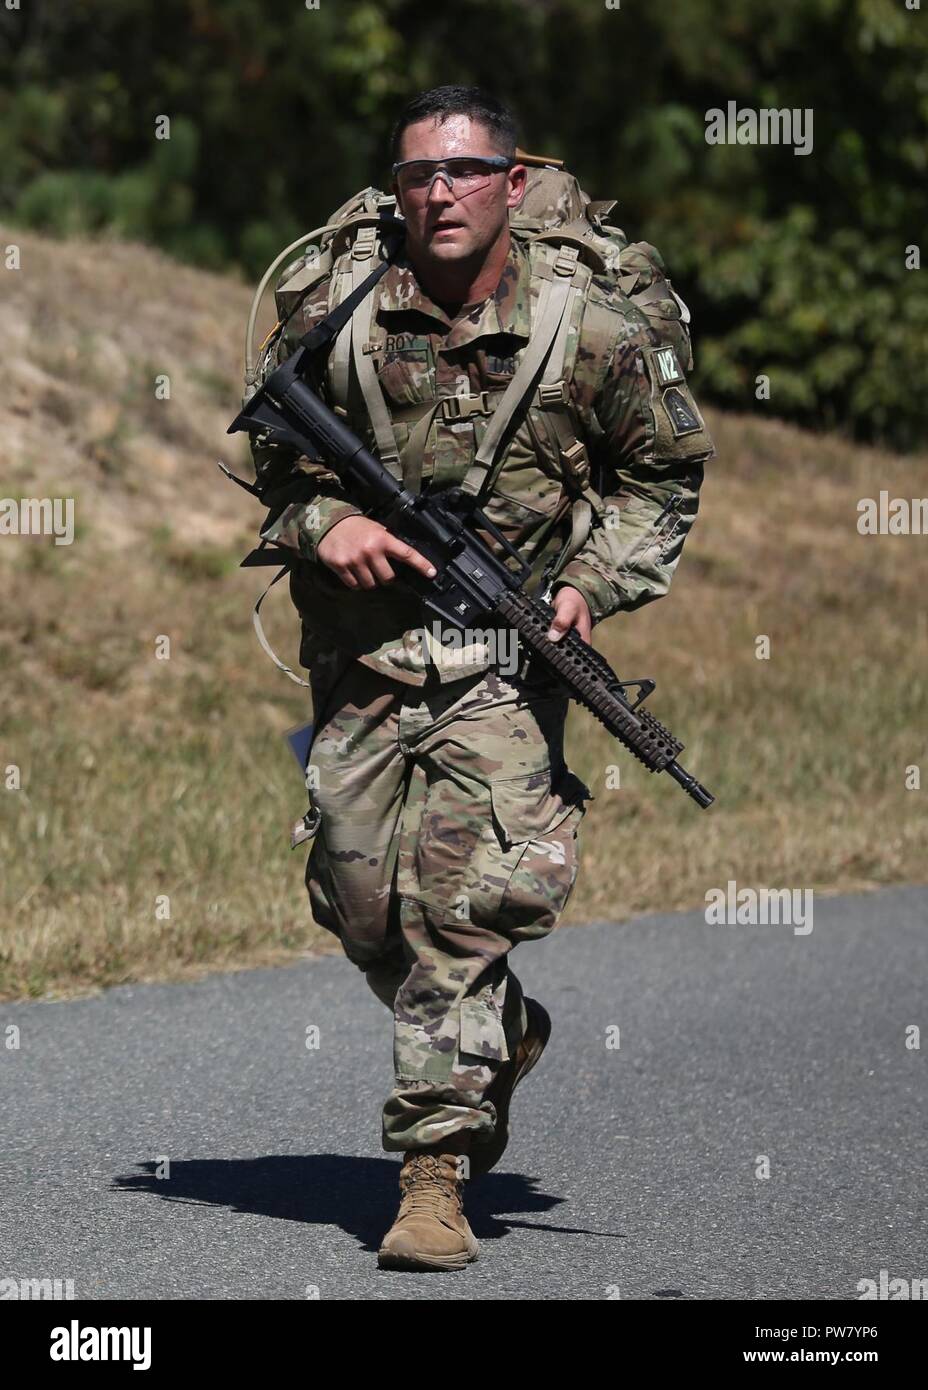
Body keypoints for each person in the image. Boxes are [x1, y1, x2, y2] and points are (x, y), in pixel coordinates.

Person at [251, 85, 715, 1272]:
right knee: (361, 907)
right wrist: (323, 527)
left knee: (460, 911)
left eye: (462, 174)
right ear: (394, 189)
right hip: (362, 651)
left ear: (512, 184)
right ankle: (497, 1036)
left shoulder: (589, 330)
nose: (437, 195)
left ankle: (432, 1175)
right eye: (416, 177)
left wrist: (589, 587)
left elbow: (658, 481)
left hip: (508, 660)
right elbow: (272, 453)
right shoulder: (339, 309)